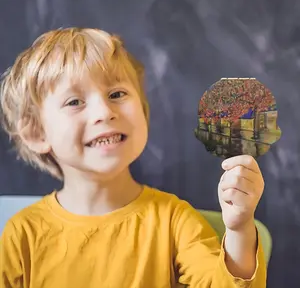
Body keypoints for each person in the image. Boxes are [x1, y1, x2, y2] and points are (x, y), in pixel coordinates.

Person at [0, 27, 266, 288]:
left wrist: (240, 228)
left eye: (117, 94)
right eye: (74, 102)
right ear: (36, 133)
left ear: (143, 111)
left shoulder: (174, 220)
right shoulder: (23, 234)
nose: (104, 112)